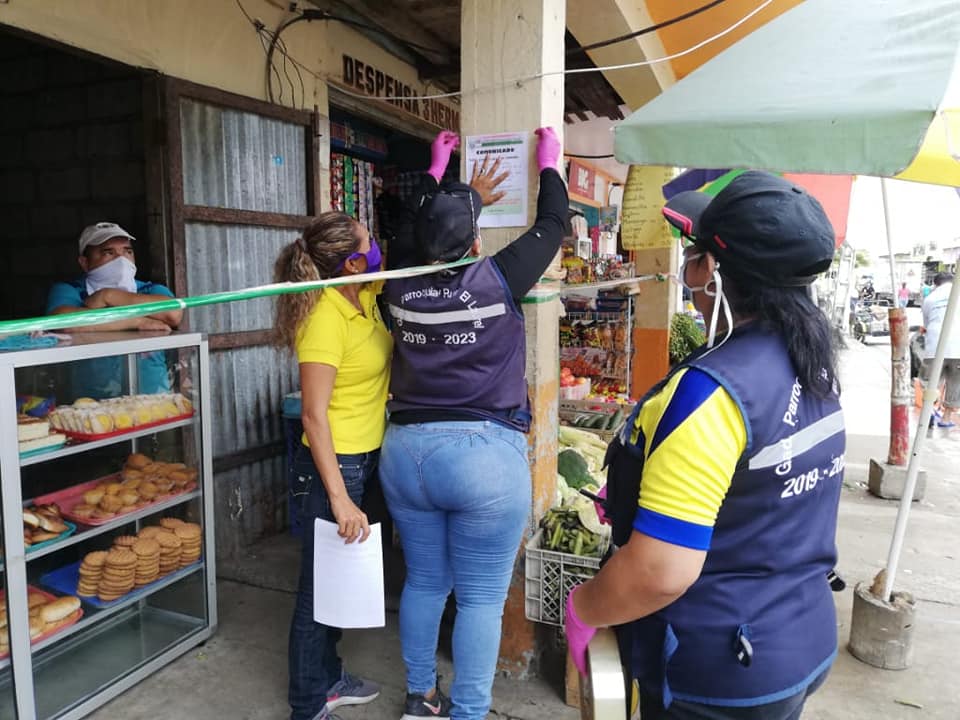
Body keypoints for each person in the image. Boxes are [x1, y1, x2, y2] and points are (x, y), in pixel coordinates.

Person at [565, 171, 844, 720]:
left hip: (720, 671)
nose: (687, 270)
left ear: (711, 271)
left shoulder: (712, 394)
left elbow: (659, 571)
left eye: (692, 255)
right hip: (800, 642)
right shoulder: (813, 364)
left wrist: (584, 608)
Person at [378, 126, 566, 720]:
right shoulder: (500, 276)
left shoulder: (396, 280)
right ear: (477, 240)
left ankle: (420, 697)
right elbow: (553, 223)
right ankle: (467, 712)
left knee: (424, 583)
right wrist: (549, 164)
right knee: (481, 598)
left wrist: (437, 167)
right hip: (483, 457)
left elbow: (408, 229)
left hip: (405, 455)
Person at [273, 213, 388, 720]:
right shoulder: (324, 317)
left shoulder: (363, 294)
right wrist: (339, 498)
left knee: (336, 582)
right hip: (333, 467)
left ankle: (329, 679)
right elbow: (313, 416)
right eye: (370, 240)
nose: (378, 245)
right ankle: (306, 705)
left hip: (364, 458)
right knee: (316, 591)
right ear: (354, 262)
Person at [46, 222, 183, 399]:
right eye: (108, 252)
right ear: (84, 263)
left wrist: (107, 296)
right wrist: (137, 321)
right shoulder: (71, 290)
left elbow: (173, 314)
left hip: (151, 400)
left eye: (127, 251)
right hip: (91, 403)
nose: (121, 260)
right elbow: (65, 322)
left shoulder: (150, 290)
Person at [920, 271, 960, 427]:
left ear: (936, 284)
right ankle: (946, 418)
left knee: (931, 382)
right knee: (956, 383)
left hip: (934, 347)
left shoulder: (930, 298)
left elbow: (926, 324)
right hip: (958, 348)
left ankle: (929, 413)